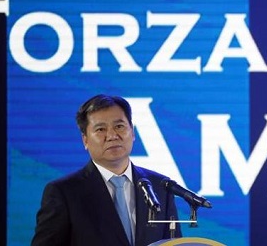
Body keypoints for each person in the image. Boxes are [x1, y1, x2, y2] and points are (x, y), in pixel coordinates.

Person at [31, 94, 183, 246]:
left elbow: (173, 243)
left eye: (119, 126)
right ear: (85, 140)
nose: (112, 136)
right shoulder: (64, 193)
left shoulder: (161, 187)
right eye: (101, 129)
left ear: (132, 132)